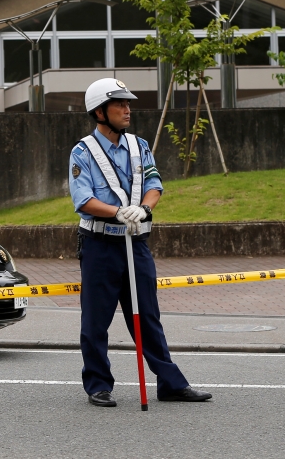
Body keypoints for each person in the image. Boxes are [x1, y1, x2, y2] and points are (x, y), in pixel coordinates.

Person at [70, 78, 212, 408]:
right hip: (100, 245)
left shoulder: (140, 146)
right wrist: (118, 212)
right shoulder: (82, 152)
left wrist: (145, 208)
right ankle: (98, 384)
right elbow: (83, 199)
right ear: (99, 111)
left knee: (147, 316)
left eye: (128, 103)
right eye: (119, 104)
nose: (127, 109)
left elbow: (155, 184)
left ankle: (170, 383)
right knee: (96, 320)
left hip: (136, 243)